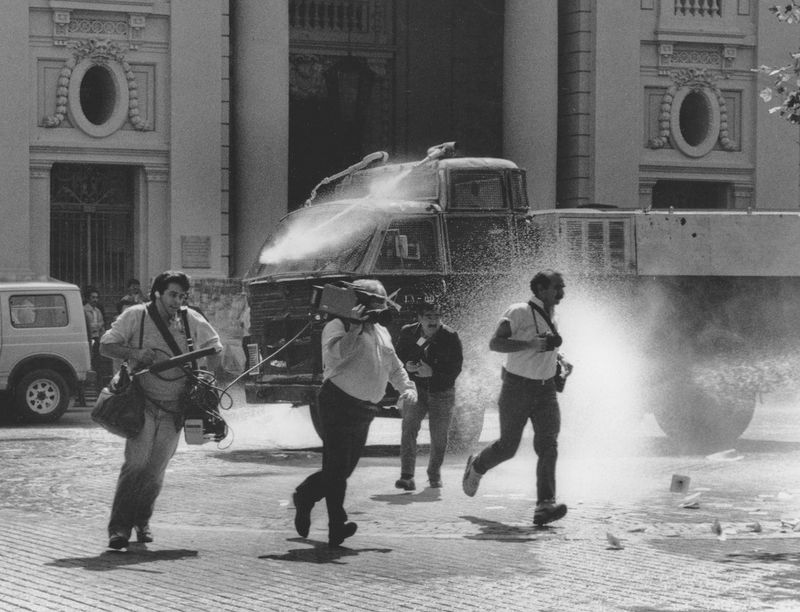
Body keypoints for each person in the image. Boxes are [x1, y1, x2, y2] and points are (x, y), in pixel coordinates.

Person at [100, 270, 222, 550]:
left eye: (182, 296)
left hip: (175, 410)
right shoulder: (135, 316)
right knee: (136, 465)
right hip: (141, 405)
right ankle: (119, 529)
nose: (177, 301)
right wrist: (136, 354)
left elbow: (216, 348)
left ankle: (142, 522)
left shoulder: (191, 319)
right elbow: (106, 345)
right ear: (157, 293)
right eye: (172, 295)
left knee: (155, 471)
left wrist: (206, 376)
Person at [292, 279, 417, 547]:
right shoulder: (336, 326)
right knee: (337, 469)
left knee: (343, 469)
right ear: (359, 304)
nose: (378, 312)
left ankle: (304, 496)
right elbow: (337, 355)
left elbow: (393, 365)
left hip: (364, 408)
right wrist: (356, 327)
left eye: (382, 306)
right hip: (337, 402)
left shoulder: (382, 331)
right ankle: (337, 526)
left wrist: (406, 387)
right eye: (374, 305)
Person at [462, 270, 572, 526]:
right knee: (508, 447)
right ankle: (477, 466)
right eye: (557, 286)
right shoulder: (518, 311)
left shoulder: (554, 315)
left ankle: (545, 505)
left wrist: (561, 361)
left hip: (546, 391)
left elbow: (547, 348)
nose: (561, 291)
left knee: (548, 445)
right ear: (542, 289)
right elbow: (495, 343)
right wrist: (530, 345)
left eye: (563, 286)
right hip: (517, 388)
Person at [394, 299, 463, 490]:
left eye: (437, 317)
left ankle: (434, 474)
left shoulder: (450, 336)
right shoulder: (408, 332)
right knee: (408, 428)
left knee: (439, 436)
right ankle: (406, 476)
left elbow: (456, 369)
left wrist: (433, 373)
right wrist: (407, 365)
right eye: (428, 317)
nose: (433, 321)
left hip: (442, 391)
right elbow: (398, 358)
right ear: (419, 319)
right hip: (416, 389)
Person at [83, 286, 106, 364]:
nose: (95, 300)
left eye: (96, 297)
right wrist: (96, 326)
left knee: (98, 361)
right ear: (88, 298)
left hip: (97, 339)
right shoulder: (84, 310)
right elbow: (86, 326)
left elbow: (102, 325)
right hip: (88, 339)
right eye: (93, 297)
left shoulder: (97, 311)